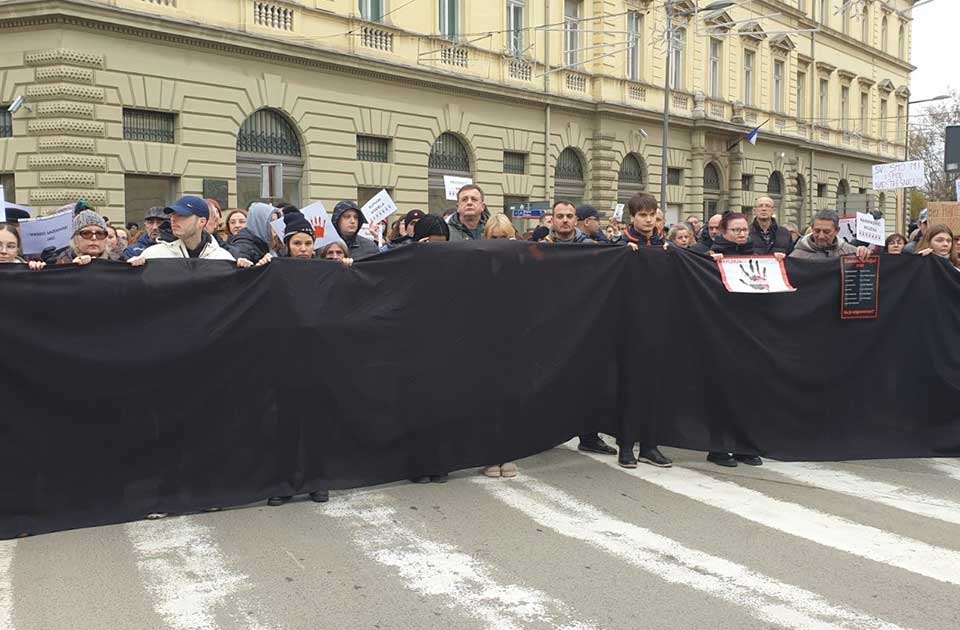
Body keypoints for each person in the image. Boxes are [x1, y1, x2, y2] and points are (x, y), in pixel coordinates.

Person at [128, 196, 237, 265]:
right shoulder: (154, 255)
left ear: (202, 222)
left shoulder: (222, 258)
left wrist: (245, 271)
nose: (173, 219)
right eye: (173, 215)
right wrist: (132, 270)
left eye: (182, 215)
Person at [789, 210, 870, 260]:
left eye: (826, 232)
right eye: (817, 231)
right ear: (812, 228)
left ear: (837, 231)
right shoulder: (797, 256)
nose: (821, 236)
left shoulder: (850, 253)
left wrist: (865, 254)